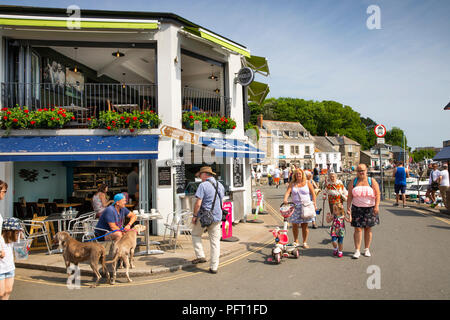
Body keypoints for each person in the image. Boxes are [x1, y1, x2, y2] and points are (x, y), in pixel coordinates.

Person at [191, 166, 225, 274]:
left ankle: (200, 256)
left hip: (204, 217)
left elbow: (198, 203)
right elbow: (221, 200)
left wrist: (194, 215)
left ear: (205, 174)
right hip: (217, 216)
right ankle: (214, 267)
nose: (200, 177)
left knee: (196, 234)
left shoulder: (203, 185)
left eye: (200, 175)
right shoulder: (220, 185)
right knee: (215, 242)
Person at [347, 164, 380, 259]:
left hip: (370, 208)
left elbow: (377, 194)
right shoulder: (353, 181)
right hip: (357, 208)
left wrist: (376, 206)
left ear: (366, 171)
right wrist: (348, 208)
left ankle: (366, 249)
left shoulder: (371, 181)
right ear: (356, 172)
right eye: (359, 171)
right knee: (357, 229)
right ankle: (357, 250)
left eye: (363, 170)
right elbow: (349, 196)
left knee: (368, 229)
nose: (361, 172)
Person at [283, 169, 317, 248]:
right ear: (294, 175)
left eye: (300, 174)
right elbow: (288, 192)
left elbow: (313, 194)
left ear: (302, 175)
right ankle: (296, 241)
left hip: (306, 206)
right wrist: (285, 199)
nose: (298, 175)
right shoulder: (292, 184)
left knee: (304, 226)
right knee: (294, 225)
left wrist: (314, 204)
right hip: (295, 206)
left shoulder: (307, 183)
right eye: (297, 174)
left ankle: (304, 242)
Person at [0, 180, 15, 300]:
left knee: (8, 290)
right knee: (1, 292)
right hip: (1, 255)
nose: (5, 194)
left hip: (7, 256)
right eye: (4, 191)